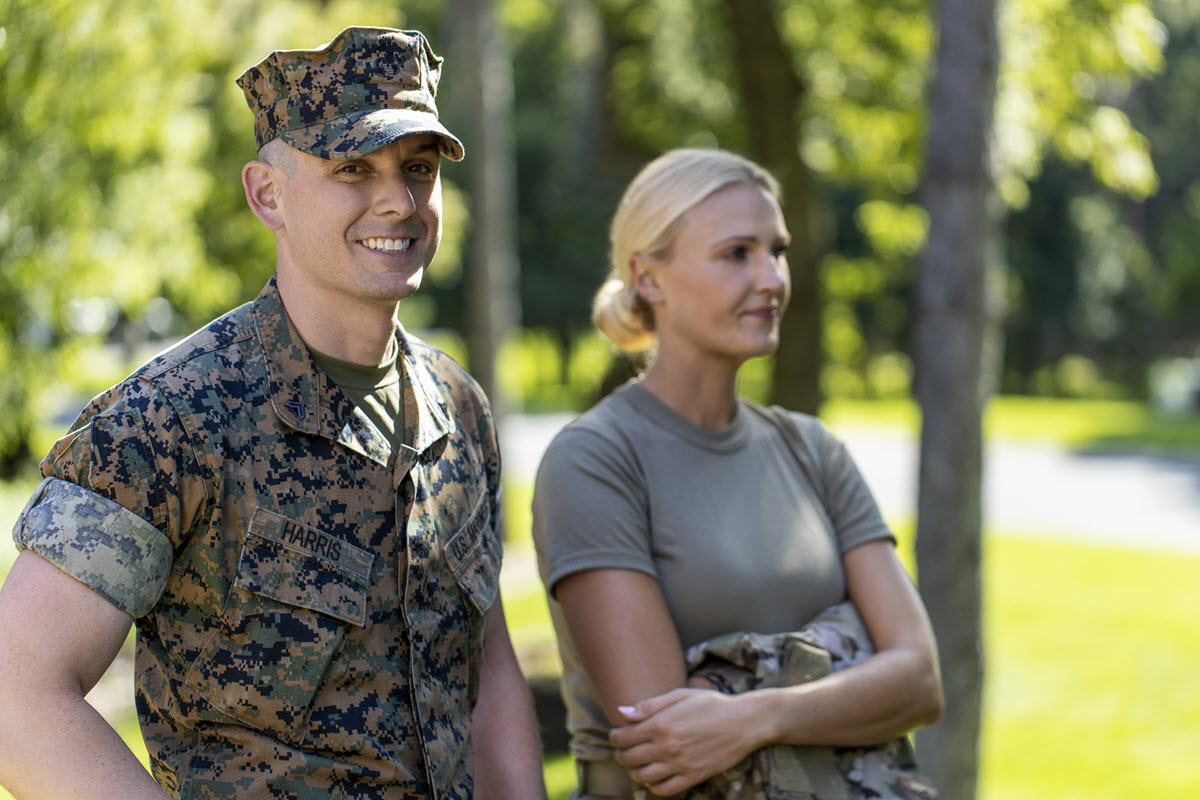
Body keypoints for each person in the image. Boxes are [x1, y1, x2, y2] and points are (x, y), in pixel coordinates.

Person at [0, 26, 545, 800]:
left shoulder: (457, 406)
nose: (398, 200)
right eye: (353, 168)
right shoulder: (172, 417)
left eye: (418, 168)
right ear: (267, 194)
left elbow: (486, 666)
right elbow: (15, 696)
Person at [531, 148, 944, 799]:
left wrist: (755, 714)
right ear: (649, 278)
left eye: (776, 251)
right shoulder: (595, 459)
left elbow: (919, 680)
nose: (772, 278)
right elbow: (668, 741)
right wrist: (848, 659)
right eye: (736, 254)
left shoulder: (812, 450)